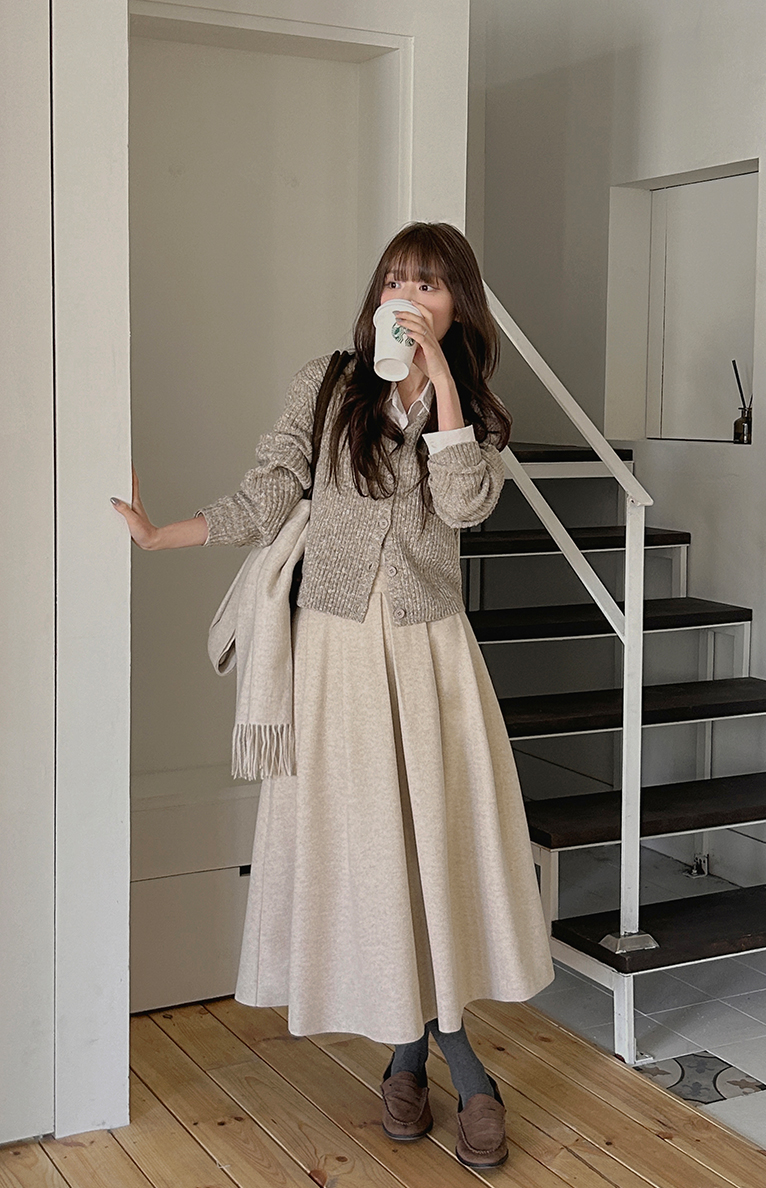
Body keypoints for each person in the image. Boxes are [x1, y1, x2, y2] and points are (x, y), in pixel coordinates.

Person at [113, 221, 553, 1169]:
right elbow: (270, 491)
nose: (407, 297)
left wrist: (441, 386)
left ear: (457, 304)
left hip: (431, 655)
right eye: (395, 280)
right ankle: (450, 1066)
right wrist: (163, 534)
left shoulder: (474, 408)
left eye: (428, 284)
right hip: (337, 658)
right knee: (374, 856)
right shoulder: (328, 384)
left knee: (432, 854)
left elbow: (466, 506)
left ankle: (421, 1060)